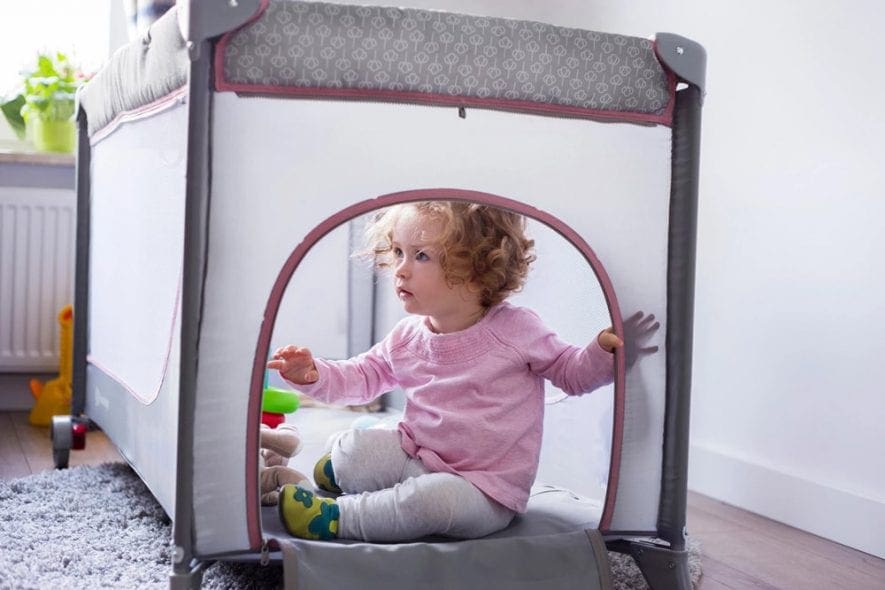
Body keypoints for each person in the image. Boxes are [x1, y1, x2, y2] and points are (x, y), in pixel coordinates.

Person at [267, 200, 623, 542]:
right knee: (354, 447)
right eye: (398, 252)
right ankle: (341, 468)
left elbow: (573, 373)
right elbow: (362, 376)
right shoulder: (408, 335)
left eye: (421, 255)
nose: (401, 269)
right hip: (417, 456)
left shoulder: (517, 329)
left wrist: (602, 351)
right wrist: (314, 374)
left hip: (482, 489)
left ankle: (336, 519)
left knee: (430, 502)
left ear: (477, 269)